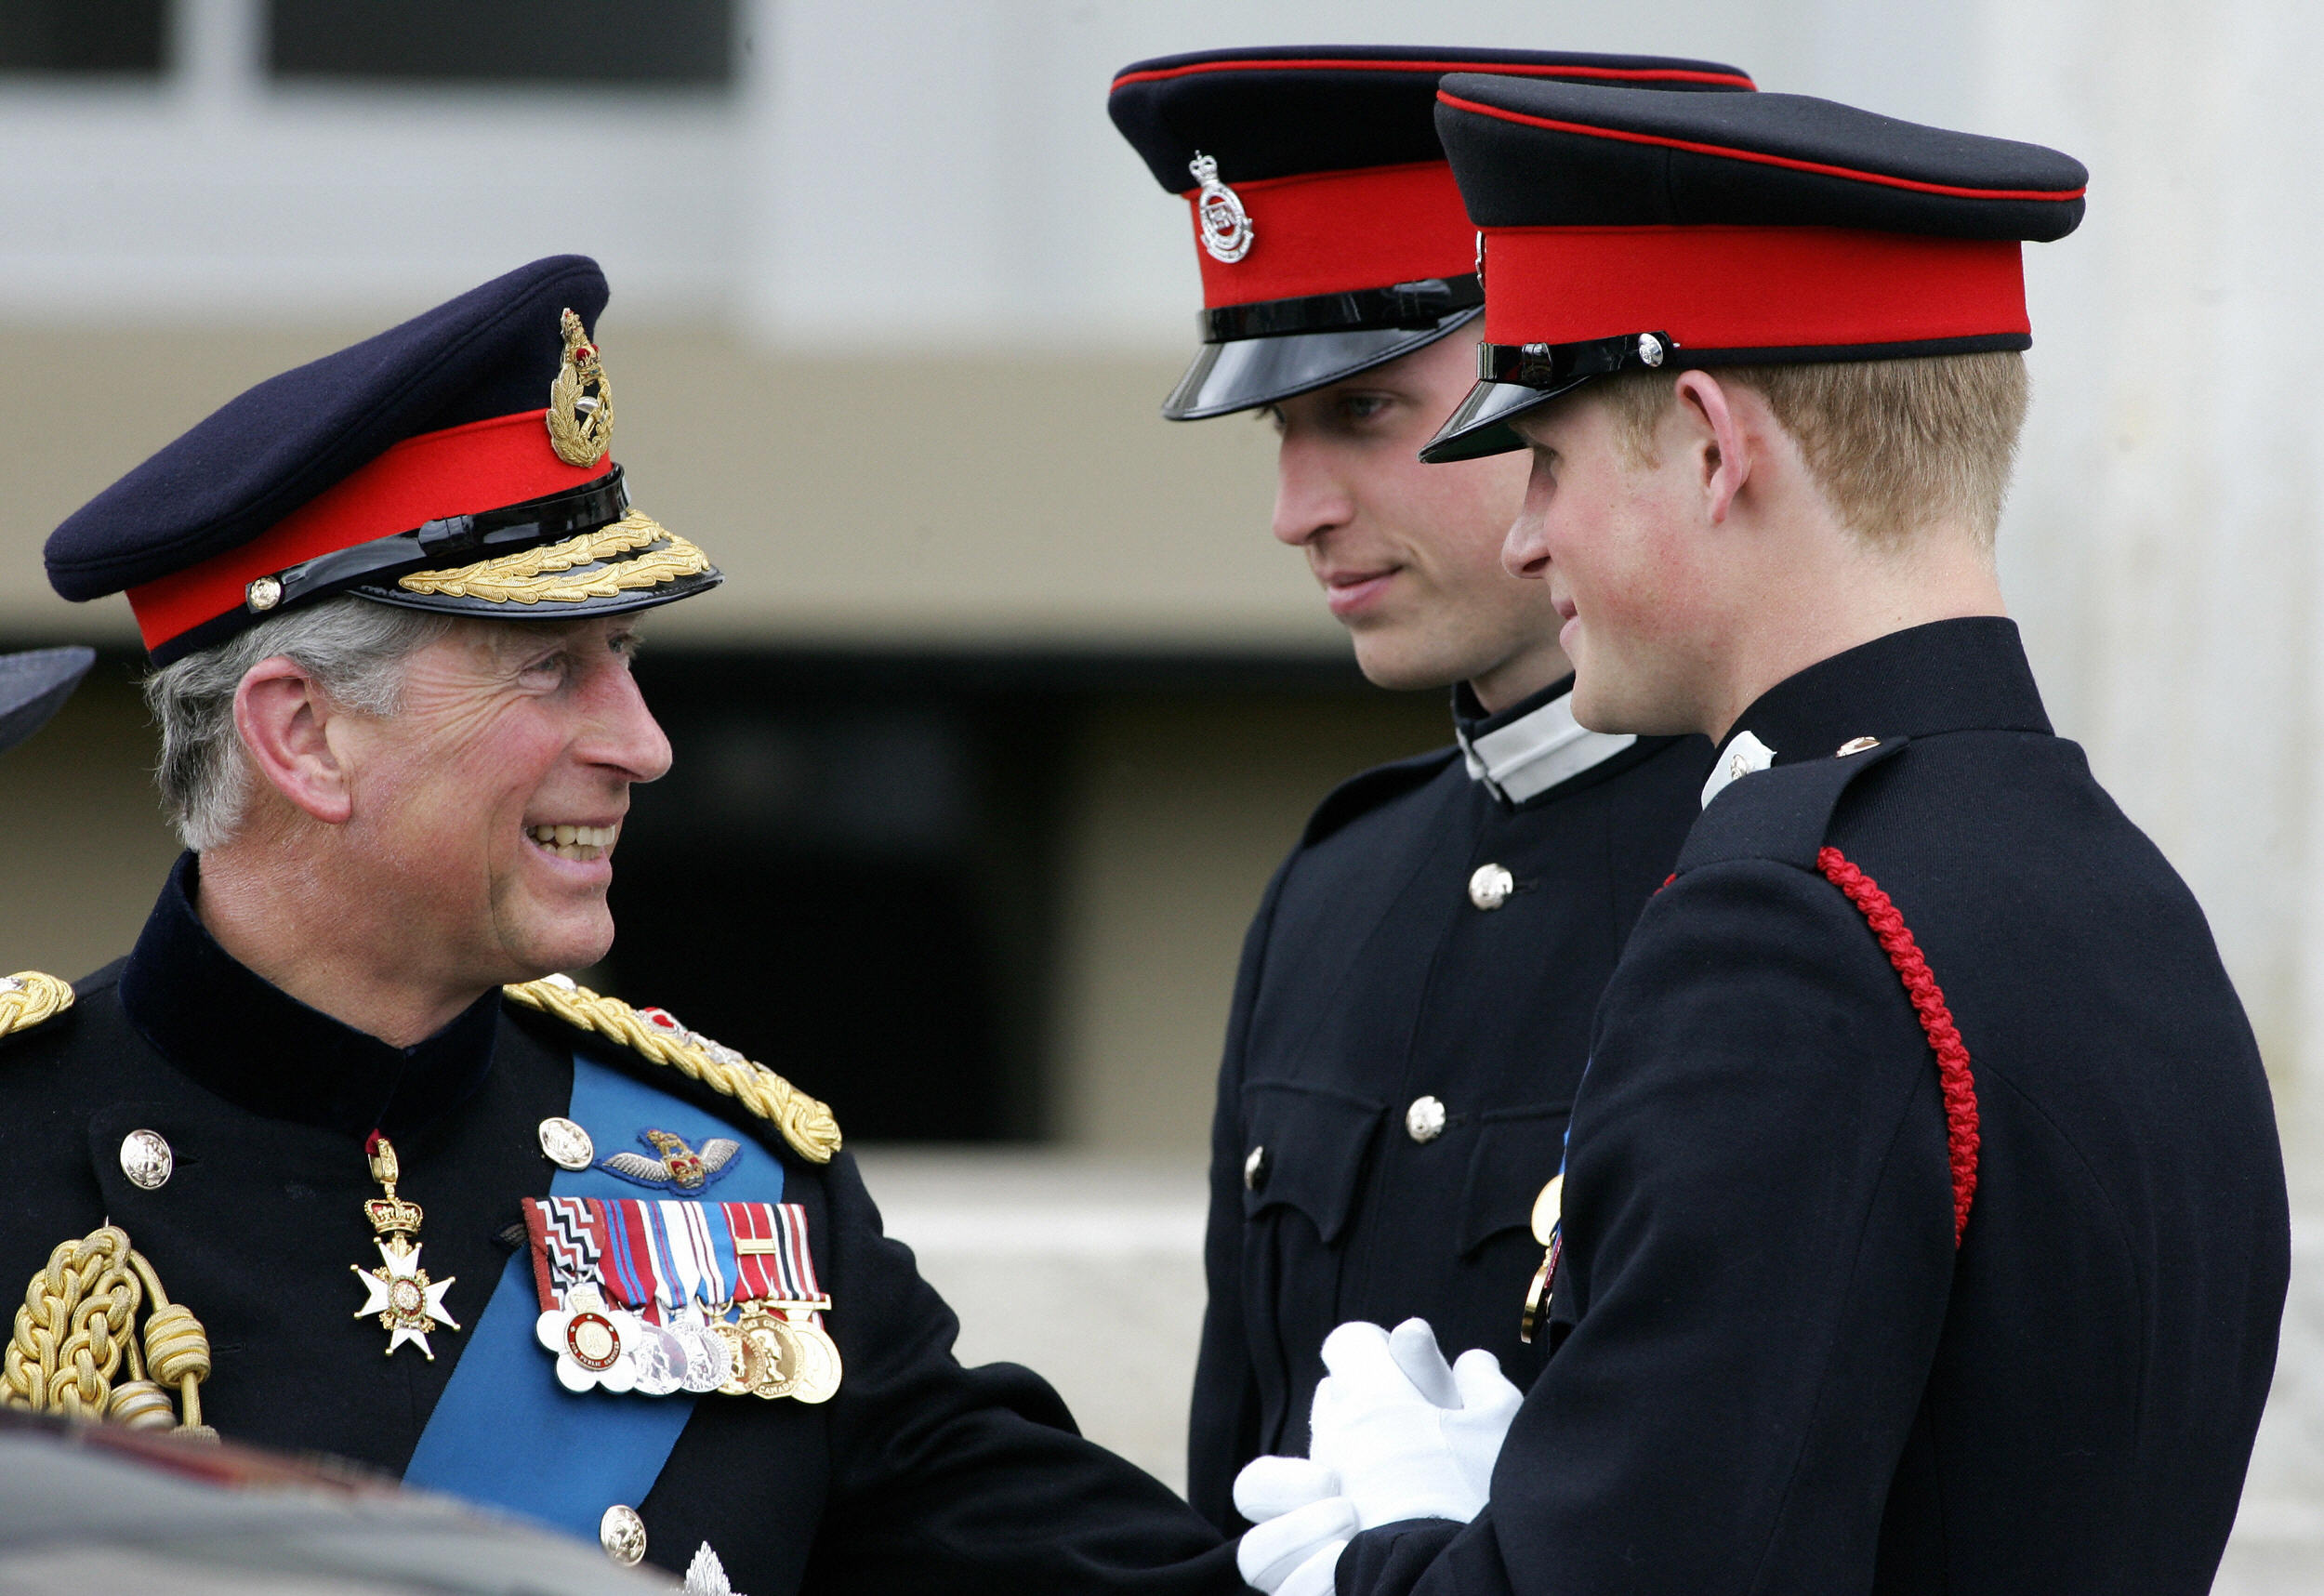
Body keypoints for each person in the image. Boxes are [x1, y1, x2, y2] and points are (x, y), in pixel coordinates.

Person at [0, 257, 1247, 1596]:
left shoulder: (729, 1181)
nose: (645, 746)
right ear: (303, 732)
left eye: (628, 662)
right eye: (551, 669)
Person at [1235, 78, 2291, 1595]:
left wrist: (1386, 1554)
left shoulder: (1786, 931)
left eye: (1548, 462)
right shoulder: (2118, 889)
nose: (1528, 535)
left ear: (1714, 446)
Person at [1105, 46, 1749, 1533]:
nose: (1295, 510)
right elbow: (1240, 1487)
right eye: (1283, 428)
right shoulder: (1335, 891)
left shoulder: (1775, 873)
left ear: (1555, 380)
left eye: (1369, 413)